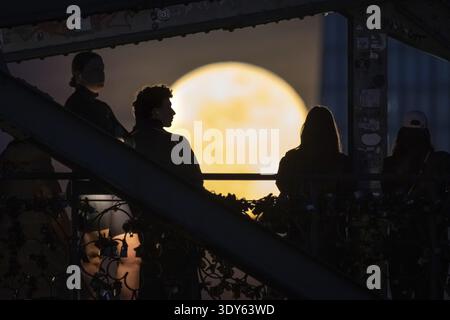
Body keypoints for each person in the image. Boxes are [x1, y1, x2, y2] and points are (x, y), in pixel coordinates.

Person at [64, 52, 140, 300]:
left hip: (100, 188)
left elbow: (126, 139)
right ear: (78, 74)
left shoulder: (90, 106)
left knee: (114, 255)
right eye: (96, 69)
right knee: (106, 255)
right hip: (97, 188)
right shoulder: (84, 107)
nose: (102, 74)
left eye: (102, 69)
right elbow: (126, 140)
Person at [128, 85, 203, 299]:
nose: (173, 112)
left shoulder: (128, 142)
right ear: (155, 112)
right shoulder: (176, 143)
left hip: (145, 223)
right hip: (177, 224)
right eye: (168, 106)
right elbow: (196, 181)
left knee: (152, 280)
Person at [382, 111, 450, 299]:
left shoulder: (390, 164)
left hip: (401, 237)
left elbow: (387, 195)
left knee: (400, 288)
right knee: (430, 290)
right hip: (432, 236)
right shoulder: (439, 162)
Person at [0, 138, 70, 299]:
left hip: (12, 270)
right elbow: (64, 233)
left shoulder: (8, 178)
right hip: (43, 270)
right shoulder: (42, 171)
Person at [276, 105, 352, 201]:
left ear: (306, 129)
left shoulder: (291, 158)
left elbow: (282, 183)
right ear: (331, 130)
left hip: (297, 212)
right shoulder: (342, 162)